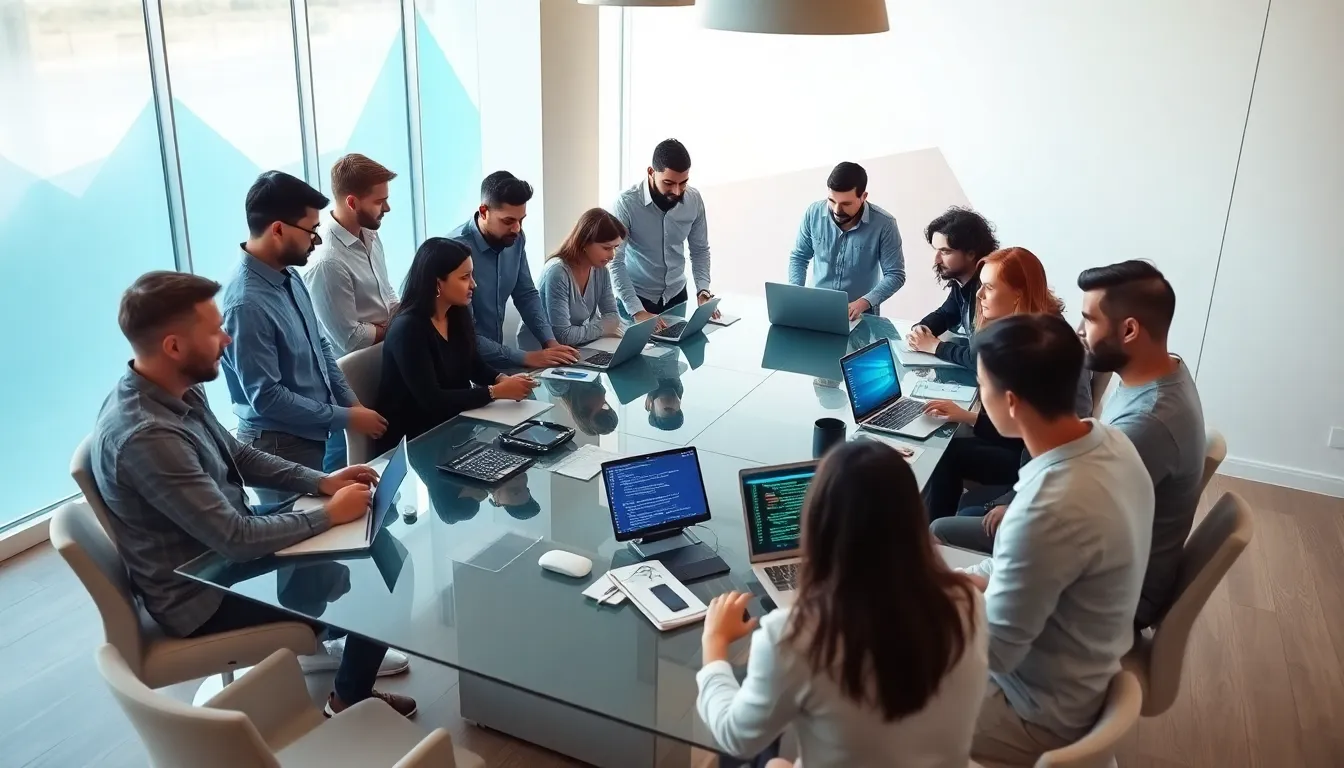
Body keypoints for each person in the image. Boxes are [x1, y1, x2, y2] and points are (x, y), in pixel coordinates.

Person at [92, 271, 414, 718]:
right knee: (378, 582)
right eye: (214, 331)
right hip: (204, 591)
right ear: (174, 347)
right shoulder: (148, 437)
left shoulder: (173, 388)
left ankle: (347, 651)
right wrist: (328, 516)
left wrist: (320, 482)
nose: (227, 340)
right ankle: (348, 698)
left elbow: (238, 455)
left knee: (373, 535)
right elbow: (236, 539)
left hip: (223, 545)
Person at [696, 440, 988, 767]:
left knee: (771, 761)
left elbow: (737, 738)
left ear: (817, 527)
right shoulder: (967, 604)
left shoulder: (793, 635)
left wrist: (714, 643)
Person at [959, 314, 1153, 767]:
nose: (980, 394)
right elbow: (1026, 564)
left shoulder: (1045, 509)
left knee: (865, 690)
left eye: (981, 385)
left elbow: (996, 652)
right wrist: (961, 580)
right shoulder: (1112, 442)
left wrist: (925, 609)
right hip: (1081, 673)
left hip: (1032, 713)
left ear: (1010, 402)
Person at [221, 171, 387, 496]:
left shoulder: (288, 275)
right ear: (278, 229)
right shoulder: (246, 304)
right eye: (311, 231)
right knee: (303, 526)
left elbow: (320, 347)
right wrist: (346, 417)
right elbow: (267, 398)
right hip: (278, 449)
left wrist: (354, 407)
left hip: (312, 434)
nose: (317, 240)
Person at [920, 247, 1092, 528]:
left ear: (1017, 295)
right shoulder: (1024, 330)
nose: (978, 295)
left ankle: (937, 532)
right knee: (946, 453)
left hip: (1032, 462)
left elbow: (1051, 439)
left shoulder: (1048, 347)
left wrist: (1011, 501)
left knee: (945, 456)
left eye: (988, 288)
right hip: (1025, 449)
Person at [1078, 261, 1205, 628]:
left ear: (1130, 330)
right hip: (1116, 566)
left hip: (1112, 598)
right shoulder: (1165, 370)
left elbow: (1074, 529)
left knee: (945, 531)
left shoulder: (1148, 422)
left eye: (1089, 320)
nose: (1080, 332)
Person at [375, 237, 537, 453]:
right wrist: (494, 392)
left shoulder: (456, 313)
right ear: (437, 283)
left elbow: (473, 364)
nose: (473, 284)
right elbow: (432, 400)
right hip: (412, 442)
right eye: (464, 277)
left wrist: (502, 379)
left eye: (472, 275)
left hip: (452, 428)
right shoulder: (408, 328)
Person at [451, 171, 580, 369]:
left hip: (495, 364)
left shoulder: (516, 239)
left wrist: (551, 343)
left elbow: (525, 294)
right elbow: (463, 333)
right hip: (459, 365)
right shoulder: (454, 250)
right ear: (484, 211)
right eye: (508, 221)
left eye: (521, 220)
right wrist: (527, 357)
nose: (517, 229)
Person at [303, 153, 401, 357]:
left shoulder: (370, 232)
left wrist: (401, 318)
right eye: (379, 202)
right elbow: (351, 340)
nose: (387, 208)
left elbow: (385, 291)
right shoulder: (328, 262)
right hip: (359, 368)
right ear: (352, 203)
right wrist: (394, 327)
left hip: (387, 351)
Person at [610, 139, 716, 325]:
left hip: (676, 296)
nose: (677, 191)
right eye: (668, 183)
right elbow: (615, 261)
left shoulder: (694, 199)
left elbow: (699, 250)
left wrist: (703, 291)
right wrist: (637, 311)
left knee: (679, 345)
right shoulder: (626, 203)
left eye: (683, 183)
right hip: (636, 299)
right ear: (651, 172)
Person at [787, 161, 906, 320]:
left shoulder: (884, 224)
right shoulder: (813, 213)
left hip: (860, 316)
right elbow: (799, 257)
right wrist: (795, 293)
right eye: (832, 201)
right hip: (816, 309)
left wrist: (863, 303)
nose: (837, 210)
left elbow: (895, 275)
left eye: (846, 204)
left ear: (863, 197)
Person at [907, 207, 999, 355]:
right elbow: (947, 313)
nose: (936, 260)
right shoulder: (962, 282)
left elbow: (984, 357)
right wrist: (922, 329)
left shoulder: (989, 293)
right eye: (936, 250)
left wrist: (935, 347)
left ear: (971, 253)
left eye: (945, 251)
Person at [536, 207, 626, 347]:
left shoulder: (601, 271)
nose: (612, 256)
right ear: (584, 242)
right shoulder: (558, 272)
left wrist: (602, 327)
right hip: (541, 351)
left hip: (575, 347)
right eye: (606, 248)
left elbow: (613, 318)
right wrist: (604, 328)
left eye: (615, 247)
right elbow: (563, 336)